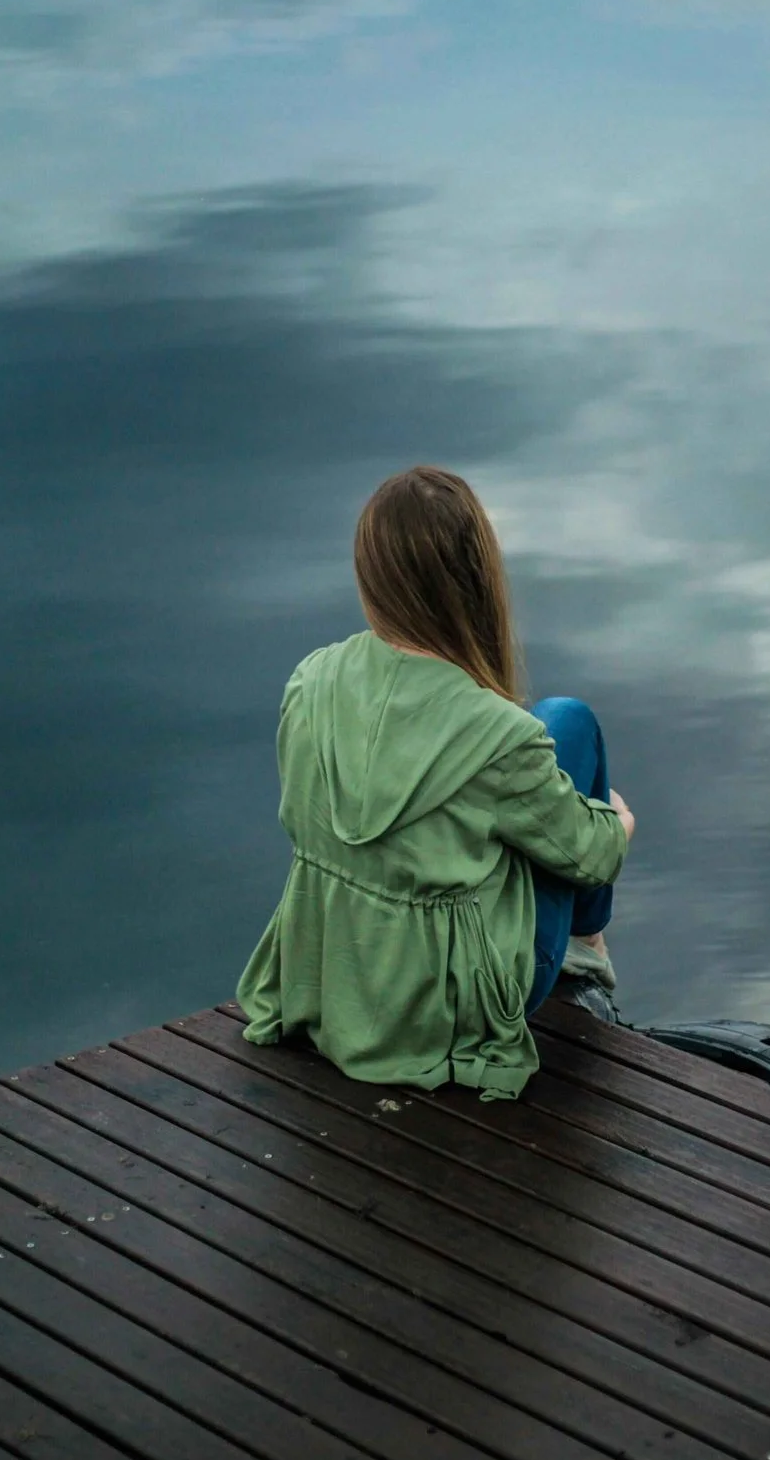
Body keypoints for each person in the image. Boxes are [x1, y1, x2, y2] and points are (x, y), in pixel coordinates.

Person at [236, 465, 635, 1100]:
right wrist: (615, 822)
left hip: (336, 982)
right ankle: (586, 950)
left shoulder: (309, 682)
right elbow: (596, 857)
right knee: (569, 722)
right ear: (477, 579)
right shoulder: (501, 736)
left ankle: (578, 944)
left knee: (545, 739)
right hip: (449, 1013)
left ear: (372, 577)